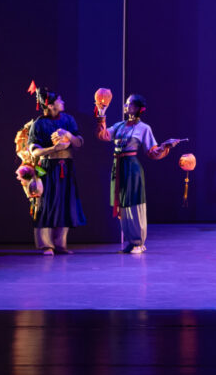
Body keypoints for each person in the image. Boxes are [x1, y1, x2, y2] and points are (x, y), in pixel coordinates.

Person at [97, 94, 182, 254]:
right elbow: (103, 135)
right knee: (123, 205)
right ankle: (131, 241)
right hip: (119, 167)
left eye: (129, 104)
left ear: (136, 108)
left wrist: (165, 146)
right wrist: (102, 113)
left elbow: (152, 151)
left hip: (132, 168)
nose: (125, 106)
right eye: (126, 103)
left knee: (134, 204)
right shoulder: (119, 126)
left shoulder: (144, 128)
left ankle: (139, 242)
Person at [28, 85, 86, 255]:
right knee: (45, 205)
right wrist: (53, 148)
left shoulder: (68, 120)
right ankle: (46, 244)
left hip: (66, 167)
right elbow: (34, 150)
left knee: (64, 203)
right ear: (50, 104)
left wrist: (68, 135)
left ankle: (61, 244)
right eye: (59, 100)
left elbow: (79, 143)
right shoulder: (38, 124)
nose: (63, 102)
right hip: (46, 167)